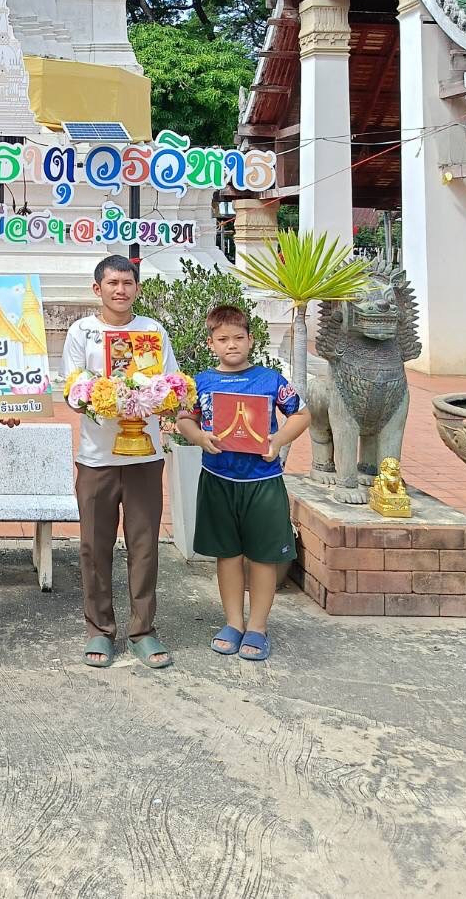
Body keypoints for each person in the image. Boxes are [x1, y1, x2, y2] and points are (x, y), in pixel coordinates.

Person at [62, 254, 179, 671]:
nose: (120, 290)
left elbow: (172, 385)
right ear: (98, 289)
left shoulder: (152, 331)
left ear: (137, 289)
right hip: (97, 458)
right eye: (112, 283)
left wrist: (156, 397)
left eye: (128, 283)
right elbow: (73, 393)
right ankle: (99, 629)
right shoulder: (82, 333)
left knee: (144, 544)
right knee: (95, 546)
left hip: (145, 454)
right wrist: (103, 394)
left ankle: (143, 630)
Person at [175, 304, 309, 661]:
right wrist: (200, 438)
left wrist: (276, 442)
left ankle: (259, 627)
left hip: (263, 482)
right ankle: (233, 622)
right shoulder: (201, 382)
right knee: (228, 555)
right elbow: (184, 419)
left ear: (251, 340)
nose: (231, 345)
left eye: (238, 338)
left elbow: (301, 414)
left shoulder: (270, 380)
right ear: (211, 343)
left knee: (263, 557)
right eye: (223, 339)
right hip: (218, 479)